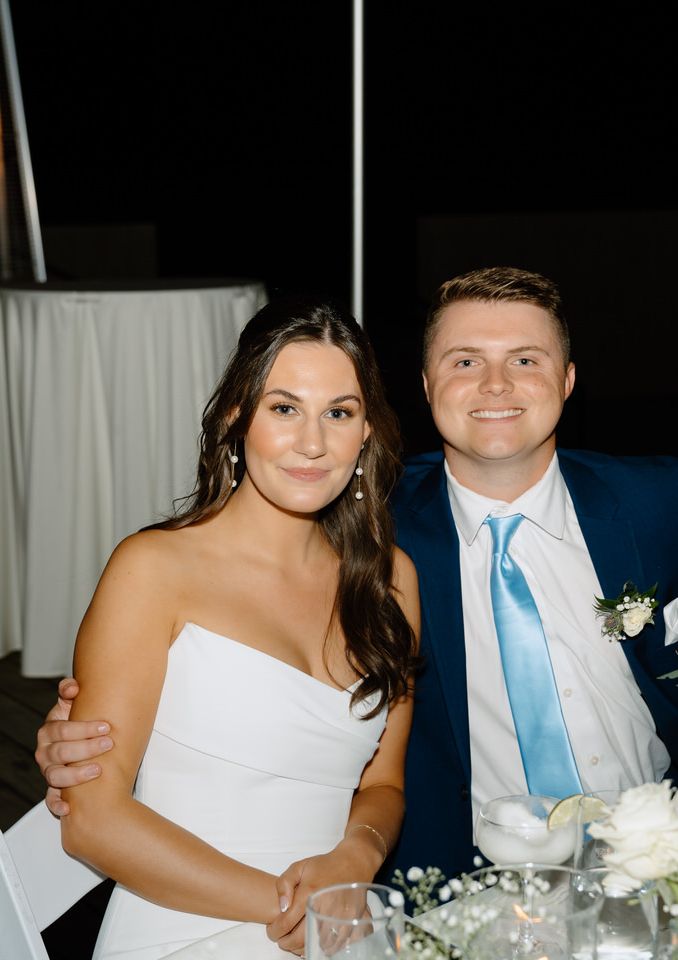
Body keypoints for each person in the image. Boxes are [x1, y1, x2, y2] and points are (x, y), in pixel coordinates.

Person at [40, 268, 678, 884]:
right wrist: (98, 728)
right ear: (425, 385)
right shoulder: (364, 537)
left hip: (673, 858)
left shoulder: (662, 503)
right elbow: (236, 626)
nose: (494, 384)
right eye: (464, 361)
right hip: (469, 887)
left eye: (525, 359)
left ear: (570, 379)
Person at [51, 297, 419, 960]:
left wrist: (356, 855)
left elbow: (383, 785)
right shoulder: (154, 569)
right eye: (284, 409)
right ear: (236, 416)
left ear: (365, 432)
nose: (313, 442)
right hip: (183, 918)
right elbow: (93, 822)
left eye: (339, 412)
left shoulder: (391, 581)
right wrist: (292, 909)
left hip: (338, 913)